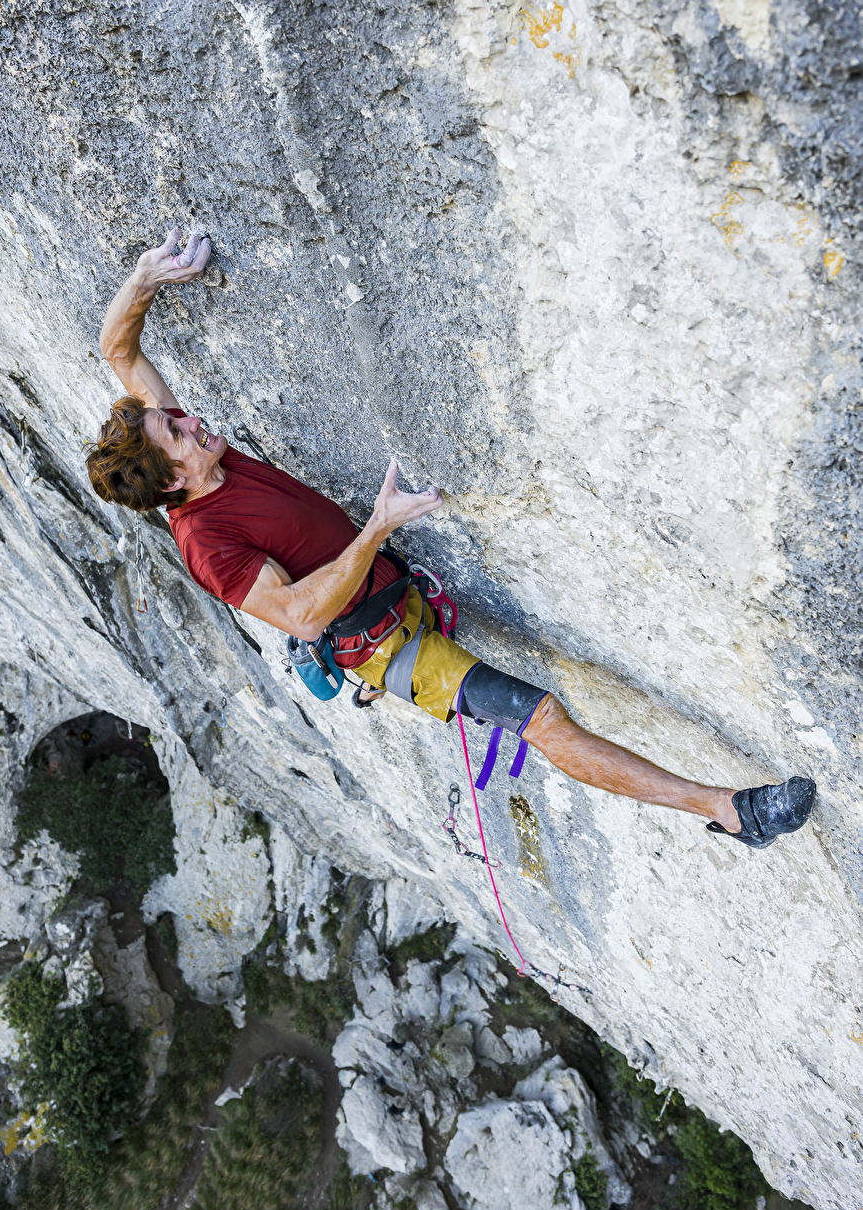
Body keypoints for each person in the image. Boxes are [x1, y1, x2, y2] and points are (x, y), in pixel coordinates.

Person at [85, 230, 815, 851]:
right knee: (540, 717)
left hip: (393, 593)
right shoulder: (208, 543)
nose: (189, 419)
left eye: (175, 416)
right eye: (177, 431)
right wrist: (376, 528)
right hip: (385, 648)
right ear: (171, 481)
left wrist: (147, 275)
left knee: (539, 709)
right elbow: (302, 616)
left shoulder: (193, 458)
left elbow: (117, 349)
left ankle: (728, 808)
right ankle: (731, 811)